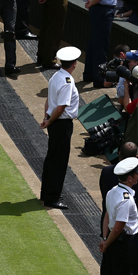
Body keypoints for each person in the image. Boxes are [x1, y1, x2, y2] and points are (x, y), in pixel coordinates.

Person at [98, 156, 138, 275]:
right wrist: (108, 241)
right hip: (122, 244)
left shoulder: (112, 191)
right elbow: (119, 226)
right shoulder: (127, 199)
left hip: (112, 240)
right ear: (129, 178)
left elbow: (107, 216)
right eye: (136, 174)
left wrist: (105, 239)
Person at [39, 46, 81, 209]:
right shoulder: (67, 82)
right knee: (59, 161)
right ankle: (52, 198)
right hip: (61, 123)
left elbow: (49, 101)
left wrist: (46, 117)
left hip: (53, 121)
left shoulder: (55, 76)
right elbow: (61, 107)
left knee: (52, 158)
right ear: (74, 64)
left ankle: (46, 193)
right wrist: (49, 121)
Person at [83, 0, 117, 85]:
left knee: (94, 43)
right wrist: (92, 2)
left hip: (101, 10)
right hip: (102, 11)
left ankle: (89, 74)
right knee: (101, 46)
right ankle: (99, 79)